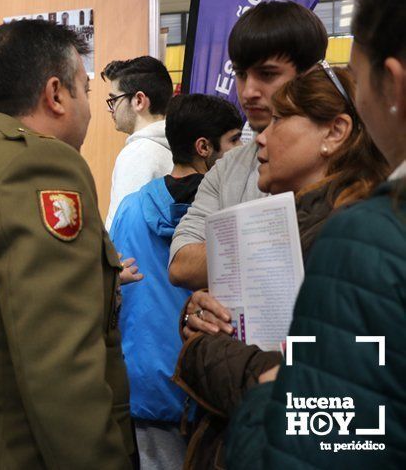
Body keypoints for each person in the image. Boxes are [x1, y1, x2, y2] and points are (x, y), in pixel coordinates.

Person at [0, 19, 135, 469]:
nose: (92, 110)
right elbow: (62, 370)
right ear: (55, 95)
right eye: (86, 91)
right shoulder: (40, 165)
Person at [224, 0, 406, 469]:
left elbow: (322, 442)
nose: (262, 134)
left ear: (391, 83)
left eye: (361, 74)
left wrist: (267, 383)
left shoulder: (366, 237)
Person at [175, 65, 388, 470]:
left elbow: (332, 402)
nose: (262, 136)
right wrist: (199, 316)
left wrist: (201, 349)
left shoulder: (353, 243)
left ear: (335, 132)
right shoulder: (295, 224)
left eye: (280, 118)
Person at [109, 94, 243, 469]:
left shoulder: (131, 208)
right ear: (204, 147)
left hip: (146, 382)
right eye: (235, 140)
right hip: (212, 380)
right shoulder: (230, 213)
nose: (243, 149)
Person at [169, 1, 328, 290]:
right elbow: (182, 263)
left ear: (311, 75)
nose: (248, 91)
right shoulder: (227, 167)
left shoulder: (351, 161)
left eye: (267, 74)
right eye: (241, 75)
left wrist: (226, 255)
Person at [101, 56, 174, 226]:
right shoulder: (176, 148)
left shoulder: (138, 154)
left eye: (114, 100)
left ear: (139, 101)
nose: (109, 108)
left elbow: (124, 230)